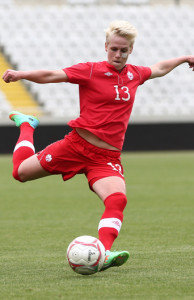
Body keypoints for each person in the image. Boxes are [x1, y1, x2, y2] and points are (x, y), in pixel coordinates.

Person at [2, 20, 194, 272]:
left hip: (106, 157)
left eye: (123, 50)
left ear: (130, 51)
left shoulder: (135, 74)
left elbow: (158, 68)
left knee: (117, 200)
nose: (118, 54)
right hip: (75, 146)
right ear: (106, 47)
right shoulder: (90, 70)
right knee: (20, 173)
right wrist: (21, 74)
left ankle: (102, 253)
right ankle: (27, 125)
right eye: (114, 49)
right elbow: (52, 75)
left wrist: (185, 58)